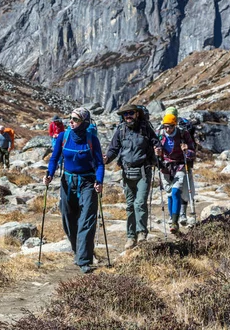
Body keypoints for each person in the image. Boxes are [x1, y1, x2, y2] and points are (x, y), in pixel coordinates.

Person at [43, 107, 104, 273]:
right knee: (68, 219)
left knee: (87, 219)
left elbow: (99, 164)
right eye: (70, 118)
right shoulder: (64, 136)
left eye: (75, 119)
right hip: (67, 182)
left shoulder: (92, 139)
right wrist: (49, 174)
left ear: (84, 122)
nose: (70, 121)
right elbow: (54, 158)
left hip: (88, 182)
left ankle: (84, 260)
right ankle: (78, 250)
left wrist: (99, 180)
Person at [104, 104, 160, 250]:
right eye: (125, 114)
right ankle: (131, 236)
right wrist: (106, 158)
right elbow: (113, 149)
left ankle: (141, 233)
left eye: (131, 113)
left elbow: (156, 142)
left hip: (143, 172)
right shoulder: (120, 130)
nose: (128, 116)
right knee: (130, 206)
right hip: (127, 173)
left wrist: (158, 149)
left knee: (139, 203)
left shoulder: (145, 128)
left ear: (137, 114)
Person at [155, 114, 196, 234]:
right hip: (165, 167)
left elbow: (193, 153)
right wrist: (156, 153)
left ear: (175, 125)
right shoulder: (159, 134)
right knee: (169, 193)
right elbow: (152, 150)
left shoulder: (183, 134)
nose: (168, 129)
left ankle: (174, 222)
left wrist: (186, 151)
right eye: (166, 127)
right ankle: (173, 218)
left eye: (171, 127)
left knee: (176, 191)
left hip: (180, 165)